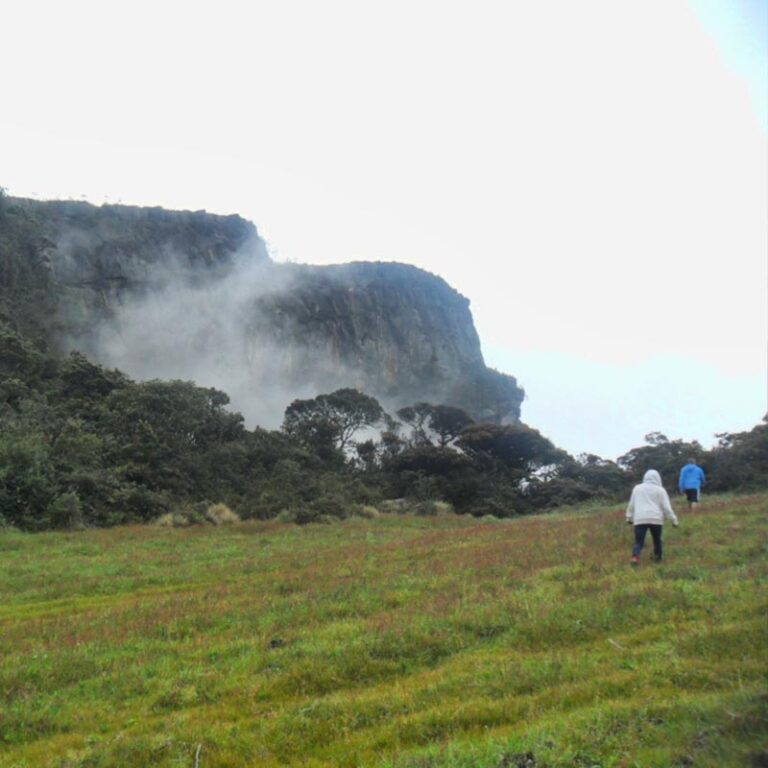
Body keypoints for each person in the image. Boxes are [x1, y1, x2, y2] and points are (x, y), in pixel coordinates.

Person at [626, 469, 678, 565]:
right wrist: (674, 520)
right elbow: (666, 507)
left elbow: (631, 504)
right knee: (657, 540)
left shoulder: (637, 488)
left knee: (639, 541)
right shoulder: (660, 490)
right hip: (656, 519)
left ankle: (635, 557)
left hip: (640, 519)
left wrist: (629, 517)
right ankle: (657, 559)